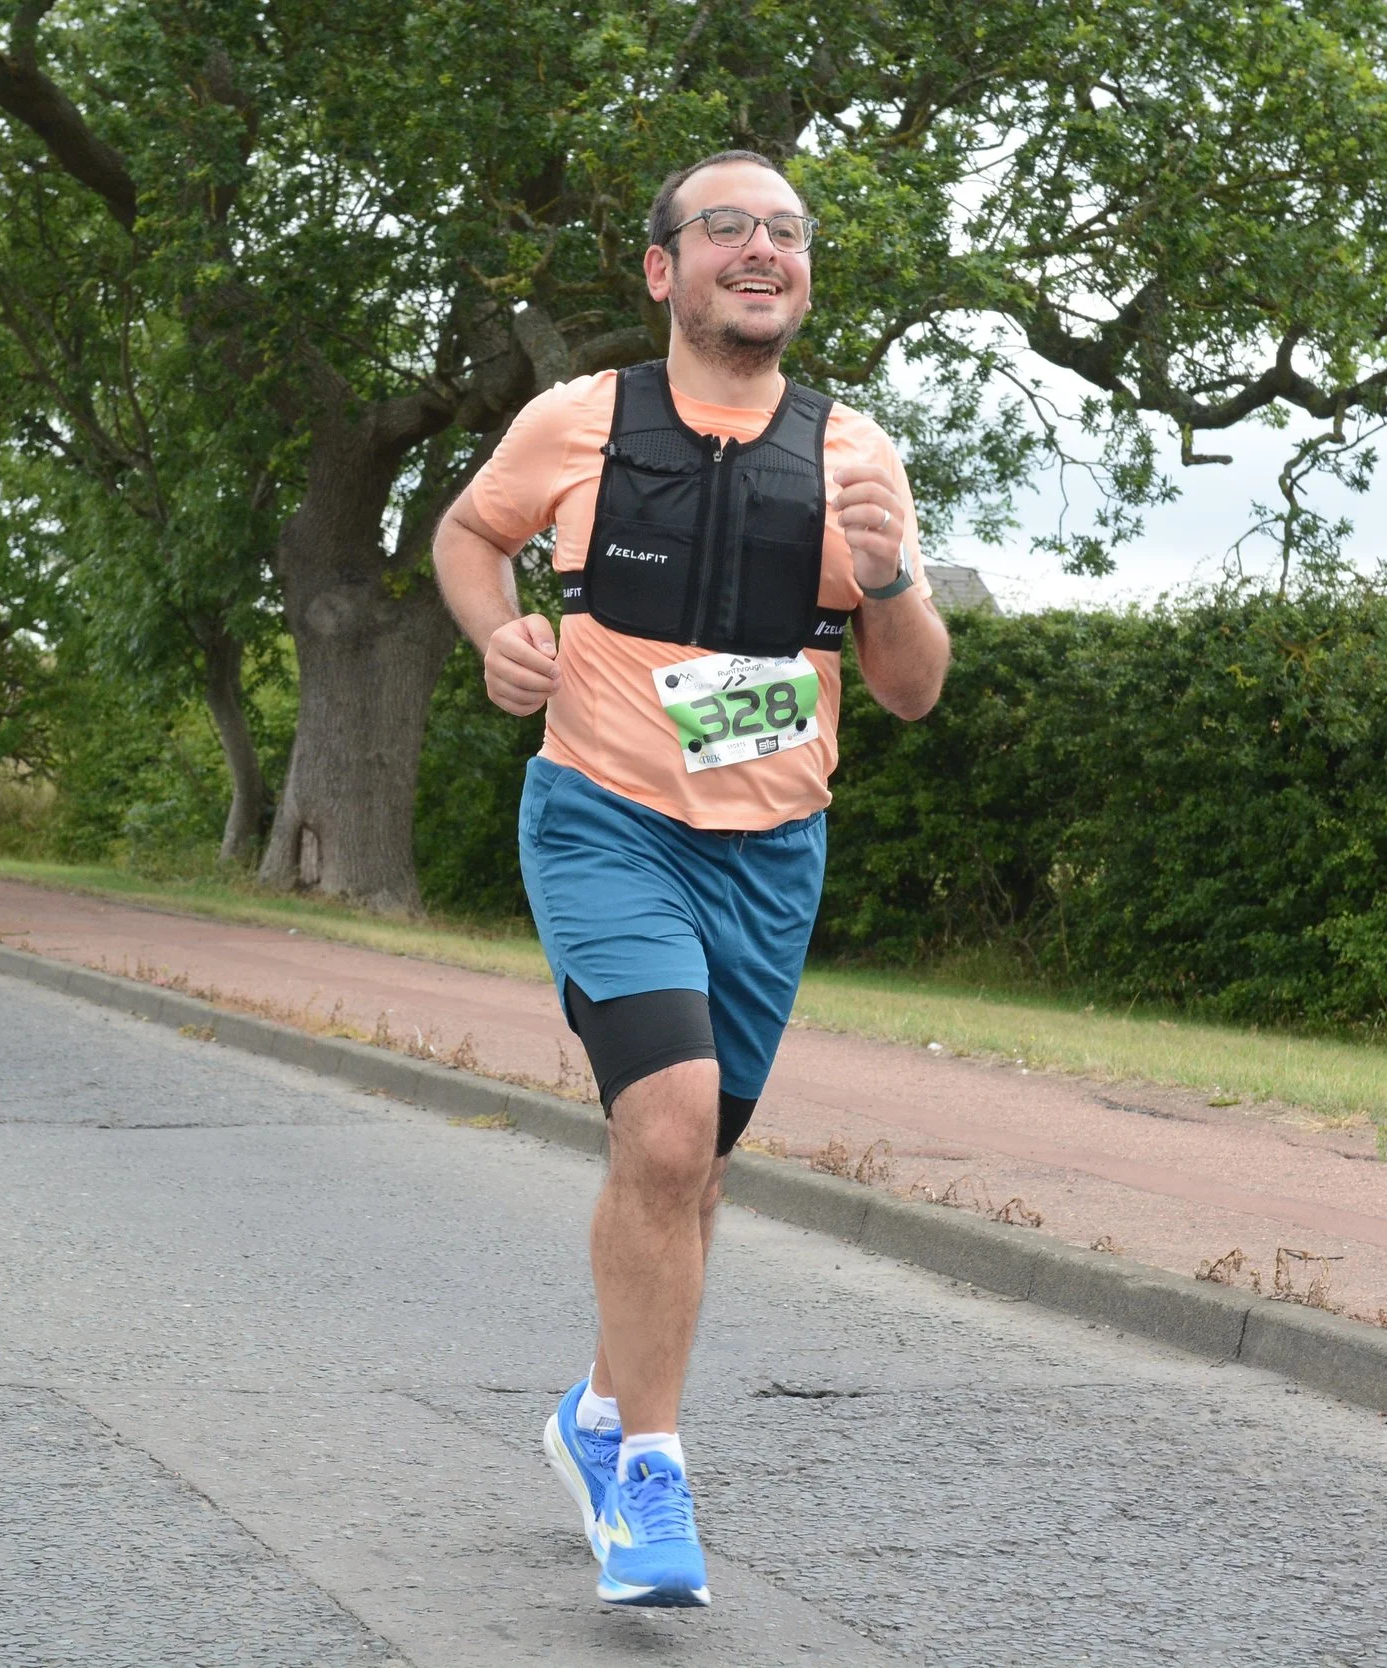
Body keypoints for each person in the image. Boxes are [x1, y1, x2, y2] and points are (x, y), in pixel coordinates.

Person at [432, 150, 949, 1609]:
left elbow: (911, 694)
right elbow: (472, 536)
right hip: (605, 819)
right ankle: (651, 1471)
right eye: (727, 227)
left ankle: (598, 1415)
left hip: (775, 849)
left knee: (699, 1170)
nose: (761, 247)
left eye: (785, 231)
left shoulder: (856, 454)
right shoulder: (579, 421)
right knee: (662, 1140)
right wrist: (495, 634)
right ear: (663, 270)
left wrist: (894, 581)